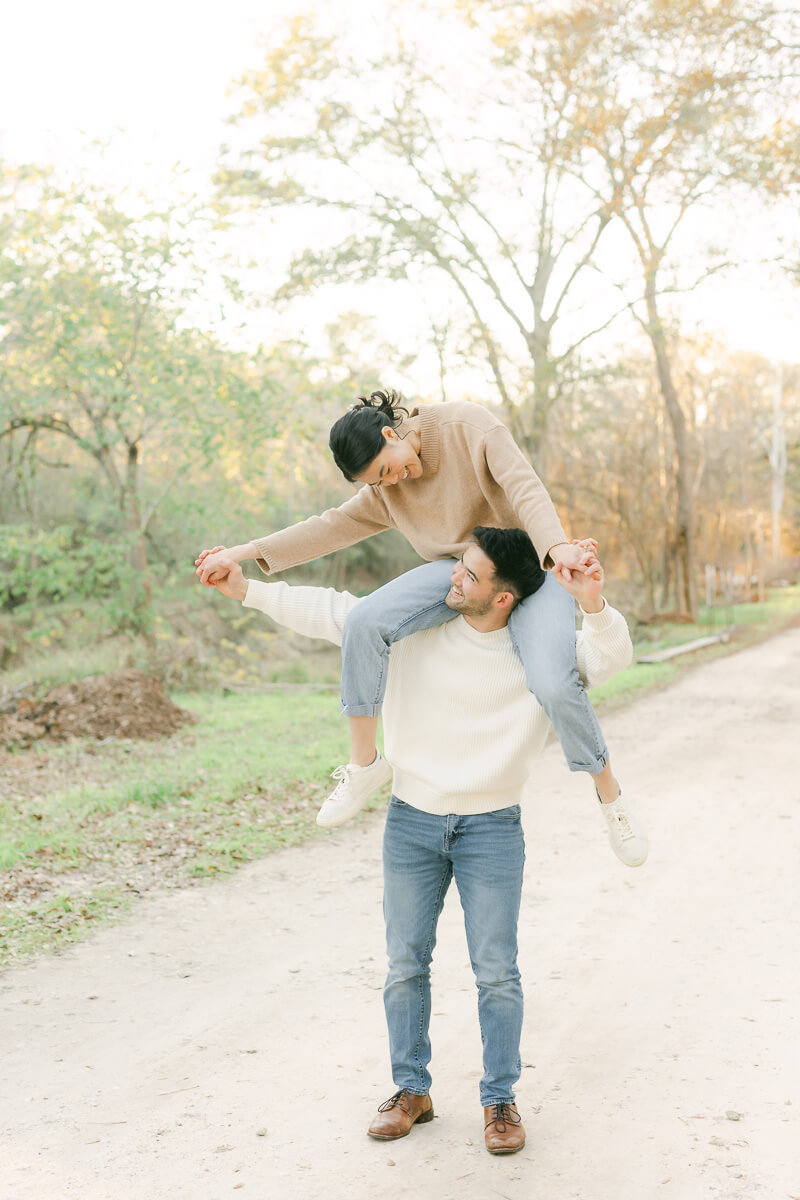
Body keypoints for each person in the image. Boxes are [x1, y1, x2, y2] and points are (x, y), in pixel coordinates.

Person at [206, 528, 641, 1154]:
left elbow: (609, 657)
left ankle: (499, 1101)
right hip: (411, 820)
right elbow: (338, 613)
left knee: (496, 974)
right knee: (405, 965)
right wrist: (246, 589)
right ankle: (411, 1090)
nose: (450, 579)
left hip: (493, 828)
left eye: (468, 574)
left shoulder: (541, 652)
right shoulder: (415, 627)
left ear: (503, 599)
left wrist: (594, 603)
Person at [196, 390, 644, 865]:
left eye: (387, 470)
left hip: (532, 564)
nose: (391, 483)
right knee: (366, 620)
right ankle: (365, 765)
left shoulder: (468, 427)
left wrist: (558, 549)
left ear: (391, 433)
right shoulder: (386, 492)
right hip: (463, 567)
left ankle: (611, 797)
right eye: (378, 483)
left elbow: (524, 487)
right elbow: (327, 527)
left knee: (554, 682)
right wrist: (241, 553)